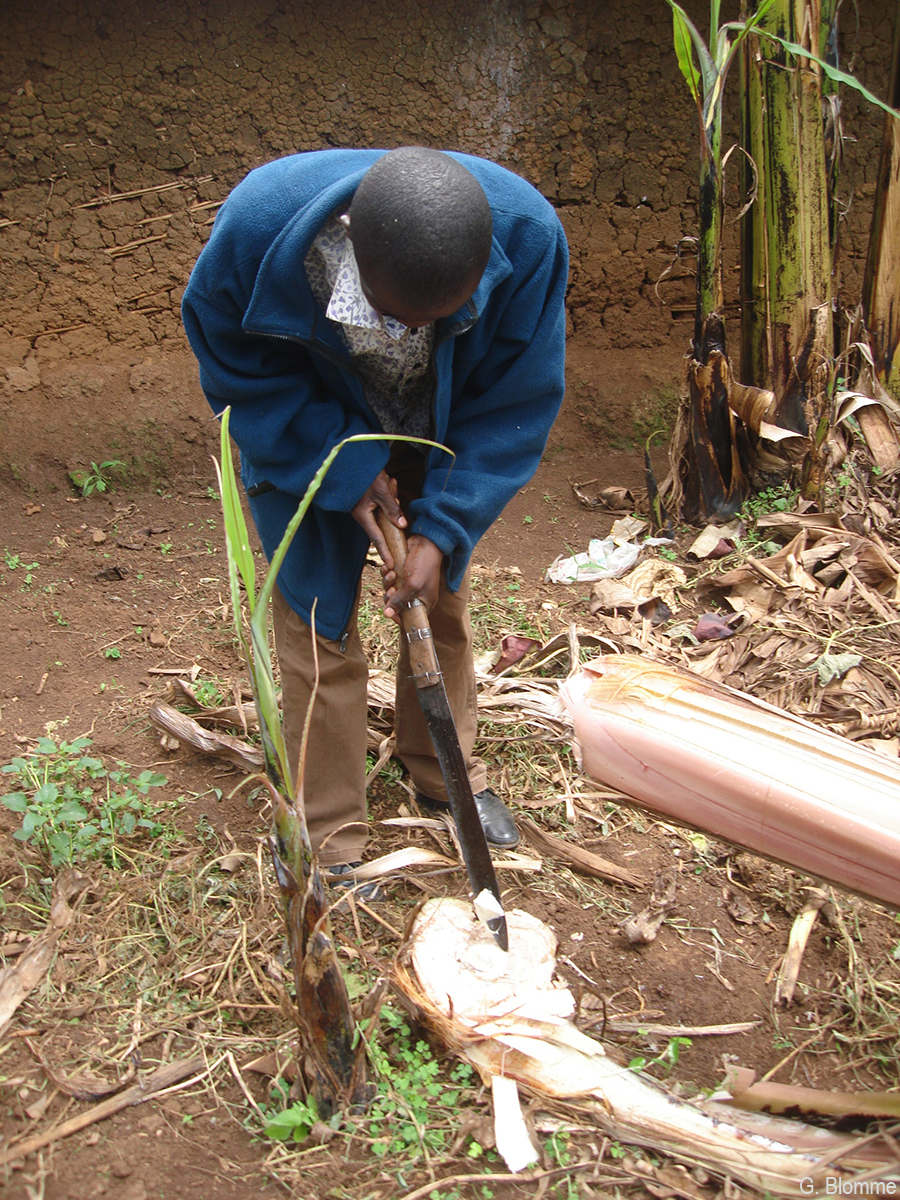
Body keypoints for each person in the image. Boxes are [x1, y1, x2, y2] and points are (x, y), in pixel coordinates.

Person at [182, 146, 568, 888]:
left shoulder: (528, 239)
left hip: (438, 421)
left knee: (437, 596)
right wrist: (341, 464)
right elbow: (231, 358)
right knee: (316, 615)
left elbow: (515, 400)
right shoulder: (260, 228)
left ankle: (443, 773)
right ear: (351, 240)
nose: (403, 332)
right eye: (392, 314)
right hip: (302, 426)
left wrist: (443, 527)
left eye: (434, 318)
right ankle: (326, 832)